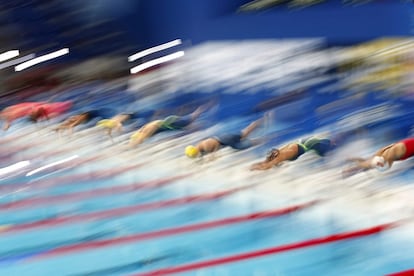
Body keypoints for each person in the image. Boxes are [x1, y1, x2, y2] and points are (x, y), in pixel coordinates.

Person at [184, 115, 268, 159]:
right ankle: (258, 125)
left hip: (225, 140)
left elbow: (216, 143)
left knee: (243, 141)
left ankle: (263, 136)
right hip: (225, 139)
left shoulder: (205, 146)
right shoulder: (200, 147)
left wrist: (214, 154)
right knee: (244, 136)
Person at [129, 104, 209, 147]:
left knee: (192, 118)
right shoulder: (143, 130)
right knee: (190, 126)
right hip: (169, 125)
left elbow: (154, 125)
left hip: (171, 123)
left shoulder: (145, 132)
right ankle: (205, 123)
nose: (140, 142)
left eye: (139, 141)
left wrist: (134, 144)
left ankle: (205, 106)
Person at [250, 135, 336, 171]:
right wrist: (254, 166)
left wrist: (254, 169)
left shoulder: (281, 156)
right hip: (301, 143)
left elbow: (268, 165)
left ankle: (336, 145)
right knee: (327, 142)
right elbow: (266, 162)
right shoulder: (280, 151)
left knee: (329, 150)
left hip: (305, 146)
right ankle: (334, 142)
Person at [342, 137, 414, 177]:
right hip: (397, 150)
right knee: (367, 164)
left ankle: (350, 164)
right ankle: (349, 166)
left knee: (367, 163)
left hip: (396, 147)